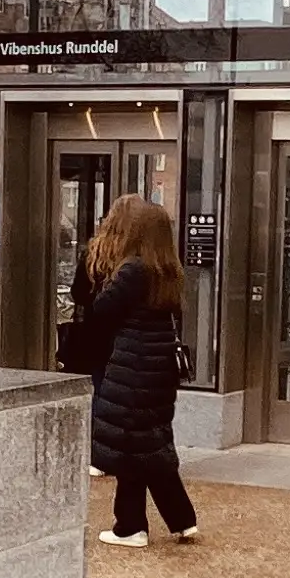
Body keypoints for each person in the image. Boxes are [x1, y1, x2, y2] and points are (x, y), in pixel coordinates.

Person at [79, 195, 198, 546]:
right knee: (149, 441)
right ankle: (179, 519)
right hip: (158, 366)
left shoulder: (132, 270)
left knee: (133, 445)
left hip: (133, 364)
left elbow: (101, 310)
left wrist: (102, 269)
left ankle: (131, 527)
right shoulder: (167, 270)